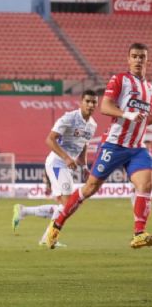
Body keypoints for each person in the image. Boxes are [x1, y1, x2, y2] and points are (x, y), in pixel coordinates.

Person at [46, 43, 152, 249]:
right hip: (114, 145)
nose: (138, 60)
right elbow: (105, 106)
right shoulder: (120, 79)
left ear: (147, 60)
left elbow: (147, 119)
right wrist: (126, 114)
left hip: (137, 148)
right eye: (134, 56)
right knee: (89, 188)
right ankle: (57, 224)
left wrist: (142, 118)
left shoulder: (149, 89)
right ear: (128, 59)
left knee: (146, 184)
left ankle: (139, 233)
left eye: (142, 57)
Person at [12, 90, 98, 247]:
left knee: (68, 206)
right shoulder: (69, 118)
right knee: (67, 206)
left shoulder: (92, 125)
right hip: (57, 162)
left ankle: (24, 211)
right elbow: (49, 140)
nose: (91, 105)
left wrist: (84, 166)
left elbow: (84, 144)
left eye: (94, 102)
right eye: (88, 101)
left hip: (68, 166)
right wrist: (66, 158)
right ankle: (48, 238)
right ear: (81, 102)